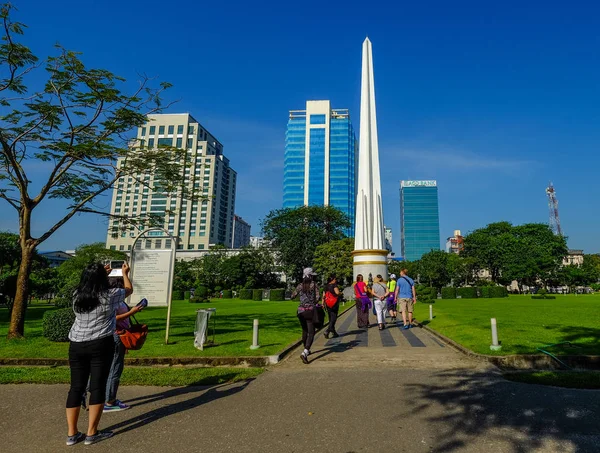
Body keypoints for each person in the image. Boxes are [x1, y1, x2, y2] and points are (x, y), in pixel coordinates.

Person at [65, 262, 132, 446]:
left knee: (76, 387)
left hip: (76, 344)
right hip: (100, 343)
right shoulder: (110, 295)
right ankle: (92, 433)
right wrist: (124, 272)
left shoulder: (76, 295)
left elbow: (91, 284)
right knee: (97, 387)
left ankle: (72, 434)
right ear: (103, 279)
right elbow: (128, 289)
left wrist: (101, 274)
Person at [103, 277, 144, 412]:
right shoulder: (111, 300)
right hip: (116, 335)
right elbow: (112, 318)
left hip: (117, 335)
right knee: (115, 368)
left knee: (107, 367)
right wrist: (131, 313)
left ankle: (95, 398)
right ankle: (109, 401)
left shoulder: (112, 299)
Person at [291, 267, 321, 364]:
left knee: (304, 330)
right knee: (311, 332)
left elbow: (293, 296)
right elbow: (318, 297)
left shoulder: (300, 285)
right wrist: (313, 302)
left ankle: (305, 347)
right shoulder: (314, 285)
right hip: (310, 311)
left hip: (300, 311)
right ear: (311, 275)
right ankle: (305, 352)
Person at [323, 275, 341, 339]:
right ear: (332, 280)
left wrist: (323, 303)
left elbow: (324, 296)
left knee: (330, 317)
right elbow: (337, 292)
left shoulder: (326, 286)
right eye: (335, 279)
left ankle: (334, 332)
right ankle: (327, 331)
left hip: (327, 303)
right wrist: (340, 293)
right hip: (334, 303)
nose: (335, 280)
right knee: (334, 318)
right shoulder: (334, 285)